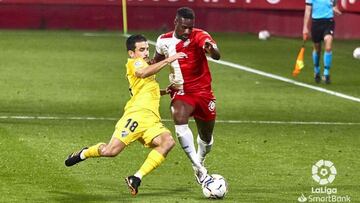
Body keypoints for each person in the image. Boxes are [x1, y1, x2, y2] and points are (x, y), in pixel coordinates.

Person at [64, 34, 186, 196]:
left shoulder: (144, 65)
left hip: (151, 120)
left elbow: (145, 89)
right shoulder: (135, 63)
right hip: (135, 116)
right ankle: (84, 153)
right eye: (141, 50)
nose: (145, 53)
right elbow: (142, 73)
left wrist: (167, 90)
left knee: (167, 141)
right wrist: (168, 59)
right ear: (131, 53)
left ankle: (136, 177)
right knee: (111, 151)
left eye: (147, 49)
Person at [153, 7, 221, 185]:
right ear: (176, 22)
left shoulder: (200, 36)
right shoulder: (163, 40)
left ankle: (200, 159)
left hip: (204, 93)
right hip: (181, 92)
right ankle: (199, 169)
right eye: (184, 27)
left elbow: (216, 54)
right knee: (179, 115)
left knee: (206, 138)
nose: (188, 31)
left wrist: (211, 49)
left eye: (190, 27)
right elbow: (156, 62)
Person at [303, 0, 342, 84]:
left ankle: (326, 73)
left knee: (328, 47)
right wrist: (305, 27)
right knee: (317, 50)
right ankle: (316, 70)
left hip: (329, 22)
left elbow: (335, 7)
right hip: (316, 23)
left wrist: (336, 11)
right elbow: (308, 10)